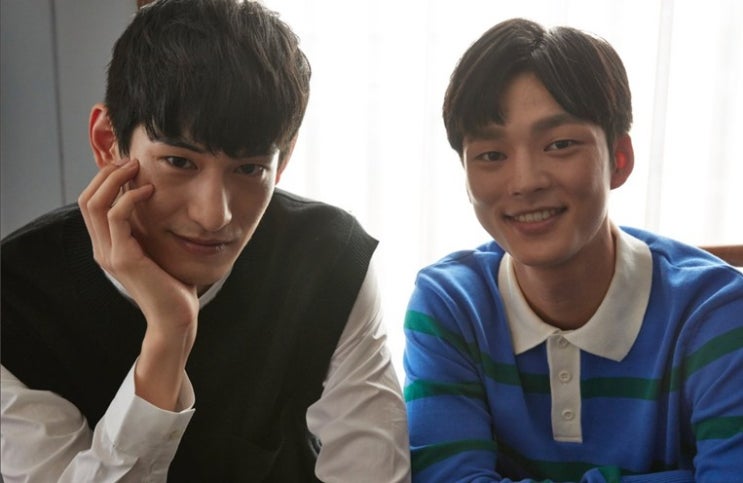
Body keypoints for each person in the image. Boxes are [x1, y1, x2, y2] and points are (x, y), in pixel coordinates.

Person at [0, 1, 410, 481]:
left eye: (249, 169)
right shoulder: (15, 299)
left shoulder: (328, 259)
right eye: (180, 162)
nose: (216, 215)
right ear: (108, 142)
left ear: (283, 159)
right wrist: (168, 337)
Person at [403, 17, 743, 482]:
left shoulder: (717, 311)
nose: (525, 182)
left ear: (619, 160)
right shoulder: (451, 306)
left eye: (559, 144)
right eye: (492, 155)